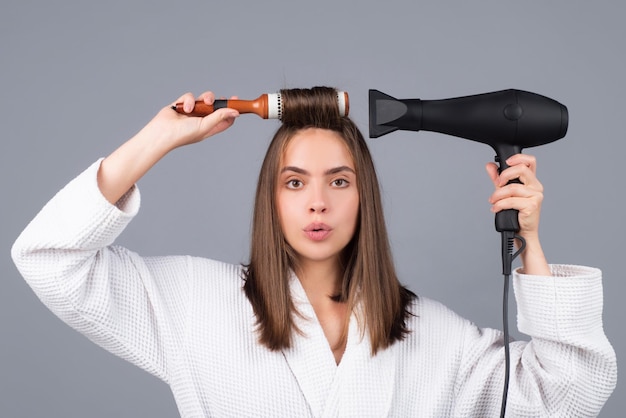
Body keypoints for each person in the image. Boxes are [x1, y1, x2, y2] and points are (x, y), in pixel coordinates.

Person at [12, 86, 616, 417]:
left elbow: (568, 394)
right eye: (295, 182)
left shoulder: (432, 337)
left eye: (340, 180)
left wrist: (529, 240)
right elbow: (50, 257)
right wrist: (159, 138)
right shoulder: (194, 302)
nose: (318, 202)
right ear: (270, 199)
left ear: (364, 198)